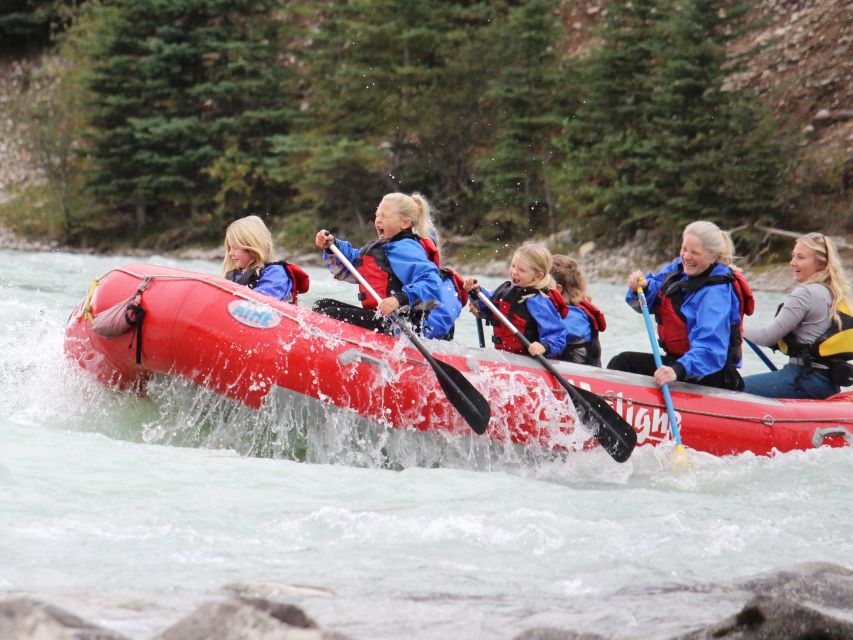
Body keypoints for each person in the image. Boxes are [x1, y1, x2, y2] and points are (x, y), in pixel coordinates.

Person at [608, 220, 754, 391]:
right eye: (684, 249)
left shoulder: (715, 294)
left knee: (624, 363)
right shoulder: (679, 270)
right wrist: (642, 287)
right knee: (623, 362)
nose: (686, 256)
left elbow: (710, 349)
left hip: (710, 375)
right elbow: (649, 299)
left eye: (695, 252)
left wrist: (677, 370)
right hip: (681, 364)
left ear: (713, 256)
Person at [312, 192, 463, 340]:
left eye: (384, 216)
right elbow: (353, 263)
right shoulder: (384, 247)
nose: (378, 220)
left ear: (405, 223)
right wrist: (333, 246)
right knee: (322, 305)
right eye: (377, 214)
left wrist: (399, 298)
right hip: (382, 317)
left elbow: (431, 282)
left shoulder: (407, 248)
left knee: (330, 313)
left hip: (400, 325)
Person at [742, 232, 853, 399]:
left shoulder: (805, 293)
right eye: (793, 256)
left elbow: (767, 337)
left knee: (733, 387)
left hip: (804, 378)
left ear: (821, 263)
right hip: (828, 383)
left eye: (800, 257)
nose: (792, 263)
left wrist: (735, 326)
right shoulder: (835, 293)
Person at [464, 243, 568, 358]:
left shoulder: (539, 301)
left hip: (528, 362)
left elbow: (556, 334)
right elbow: (487, 305)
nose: (514, 272)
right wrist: (476, 292)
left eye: (521, 270)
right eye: (513, 266)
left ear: (538, 276)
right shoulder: (504, 290)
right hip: (504, 356)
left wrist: (544, 346)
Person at [222, 215, 309, 303]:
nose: (230, 253)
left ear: (252, 246)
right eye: (229, 248)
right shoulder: (236, 274)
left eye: (235, 247)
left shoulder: (275, 274)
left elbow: (264, 303)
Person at [550, 255, 607, 366]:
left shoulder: (575, 316)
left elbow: (555, 335)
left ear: (557, 288)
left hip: (580, 377)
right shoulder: (571, 307)